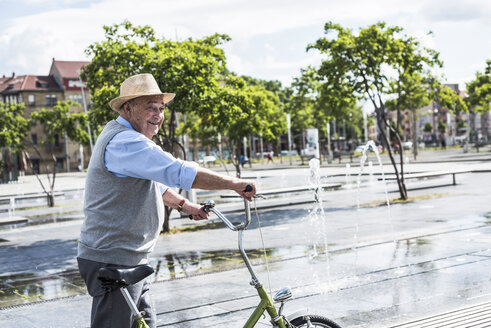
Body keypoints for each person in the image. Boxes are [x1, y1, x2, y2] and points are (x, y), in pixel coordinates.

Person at [77, 73, 256, 328]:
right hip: (112, 260)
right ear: (128, 108)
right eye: (151, 107)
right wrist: (234, 184)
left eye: (161, 108)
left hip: (130, 259)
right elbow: (178, 171)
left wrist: (184, 205)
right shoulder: (125, 142)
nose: (158, 115)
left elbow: (156, 184)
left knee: (146, 323)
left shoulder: (126, 139)